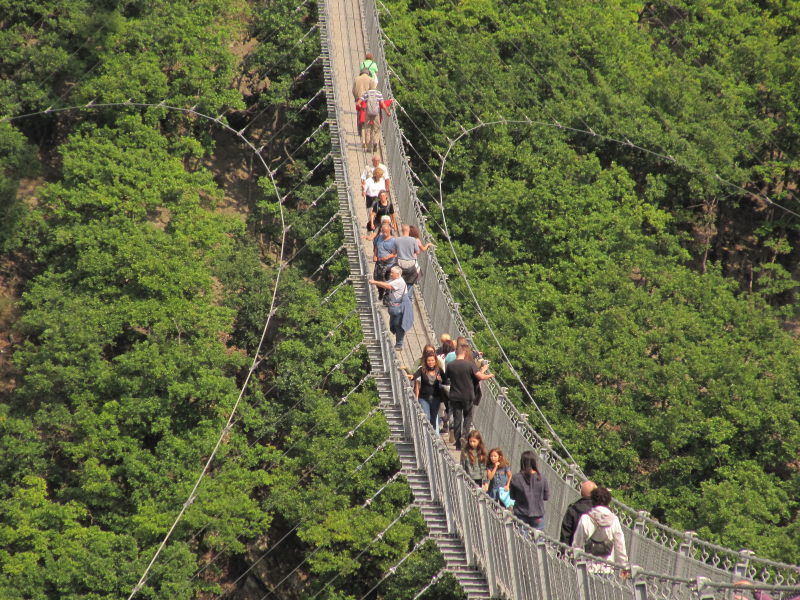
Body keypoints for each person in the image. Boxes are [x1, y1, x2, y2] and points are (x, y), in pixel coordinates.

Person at [447, 342, 494, 449]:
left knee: (457, 418)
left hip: (454, 395)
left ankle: (458, 442)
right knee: (467, 418)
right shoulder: (470, 364)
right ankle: (464, 436)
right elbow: (480, 377)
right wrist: (488, 375)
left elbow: (446, 378)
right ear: (464, 352)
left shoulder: (450, 365)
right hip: (467, 396)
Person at [572, 487, 628, 573]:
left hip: (587, 567)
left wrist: (574, 558)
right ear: (608, 501)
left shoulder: (586, 518)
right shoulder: (614, 520)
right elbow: (620, 545)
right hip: (607, 567)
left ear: (592, 501)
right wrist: (624, 566)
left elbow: (577, 542)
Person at [369, 265, 412, 350]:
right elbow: (386, 284)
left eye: (392, 273)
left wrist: (374, 282)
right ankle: (397, 340)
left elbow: (387, 286)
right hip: (393, 306)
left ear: (398, 274)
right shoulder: (394, 280)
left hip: (399, 307)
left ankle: (399, 344)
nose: (391, 274)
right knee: (393, 324)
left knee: (398, 325)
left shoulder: (399, 282)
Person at [509, 450, 549, 530]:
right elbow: (546, 497)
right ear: (534, 462)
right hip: (538, 515)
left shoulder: (516, 478)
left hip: (521, 514)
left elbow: (512, 496)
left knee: (521, 540)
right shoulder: (542, 478)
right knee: (539, 540)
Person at [414, 352, 447, 429]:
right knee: (427, 416)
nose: (431, 362)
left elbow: (445, 381)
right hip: (424, 398)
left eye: (432, 360)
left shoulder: (439, 370)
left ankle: (433, 439)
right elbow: (414, 376)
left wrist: (441, 380)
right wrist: (408, 373)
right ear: (426, 361)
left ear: (435, 361)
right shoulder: (422, 370)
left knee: (433, 418)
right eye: (429, 360)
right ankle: (426, 435)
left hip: (436, 398)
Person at [560, 480, 598, 546]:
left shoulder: (573, 509)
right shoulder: (601, 511)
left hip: (574, 551)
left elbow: (566, 534)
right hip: (596, 552)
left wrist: (563, 552)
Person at [371, 218, 396, 300]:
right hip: (379, 263)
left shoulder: (393, 241)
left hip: (389, 265)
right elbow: (376, 247)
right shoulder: (379, 238)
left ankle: (387, 296)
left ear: (390, 231)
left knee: (388, 280)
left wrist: (389, 256)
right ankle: (381, 291)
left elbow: (396, 253)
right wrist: (375, 255)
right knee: (377, 278)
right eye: (383, 231)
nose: (384, 233)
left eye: (386, 232)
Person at [359, 87, 391, 152]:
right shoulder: (379, 93)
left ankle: (368, 147)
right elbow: (382, 104)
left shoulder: (366, 93)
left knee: (367, 129)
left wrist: (362, 109)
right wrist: (387, 112)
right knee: (377, 129)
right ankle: (375, 142)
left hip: (368, 113)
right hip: (376, 114)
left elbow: (358, 103)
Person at [352, 69, 375, 136]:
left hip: (358, 99)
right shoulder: (370, 79)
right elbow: (372, 91)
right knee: (367, 115)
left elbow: (353, 90)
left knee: (359, 114)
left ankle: (359, 132)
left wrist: (356, 98)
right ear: (368, 73)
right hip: (367, 100)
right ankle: (366, 132)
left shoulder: (356, 79)